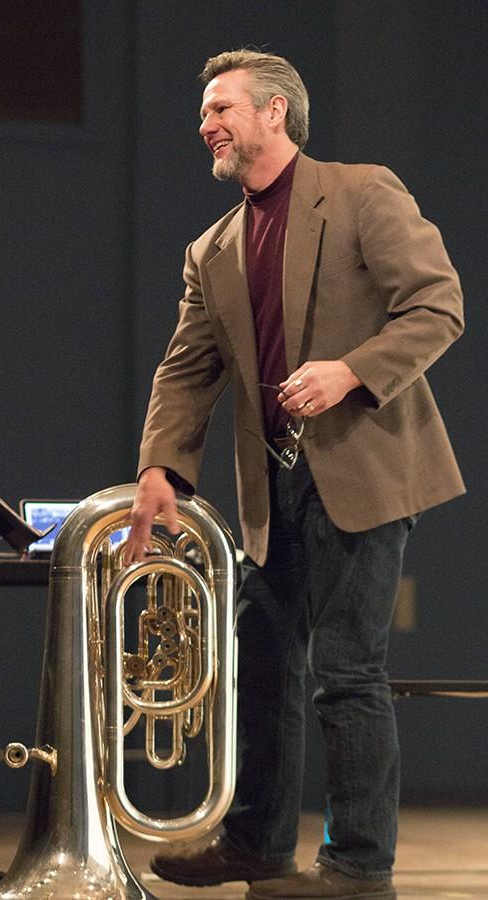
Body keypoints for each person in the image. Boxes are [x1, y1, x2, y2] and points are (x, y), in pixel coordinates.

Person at [123, 50, 464, 900]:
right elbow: (186, 368)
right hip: (272, 483)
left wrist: (350, 369)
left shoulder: (359, 191)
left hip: (364, 467)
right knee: (262, 665)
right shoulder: (213, 248)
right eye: (204, 112)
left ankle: (357, 866)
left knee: (349, 670)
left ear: (275, 112)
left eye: (221, 107)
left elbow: (438, 304)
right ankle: (258, 844)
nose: (206, 123)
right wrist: (162, 466)